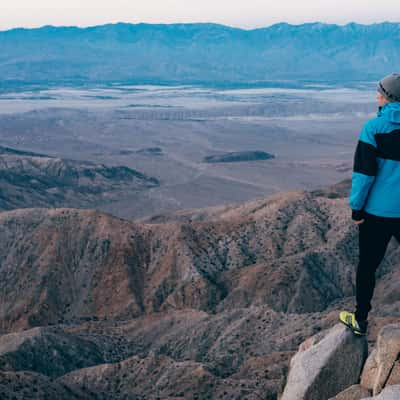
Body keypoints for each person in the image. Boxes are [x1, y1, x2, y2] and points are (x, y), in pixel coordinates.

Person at [339, 73, 400, 336]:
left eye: (380, 92)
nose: (377, 95)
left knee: (367, 267)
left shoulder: (373, 129)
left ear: (388, 97)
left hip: (376, 212)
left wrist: (357, 208)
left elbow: (364, 175)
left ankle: (360, 320)